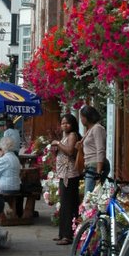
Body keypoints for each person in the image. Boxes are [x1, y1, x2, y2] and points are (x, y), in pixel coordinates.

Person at [51, 113, 82, 245]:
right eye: (62, 123)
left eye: (67, 123)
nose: (64, 125)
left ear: (73, 124)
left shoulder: (73, 135)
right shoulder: (65, 136)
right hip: (64, 174)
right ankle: (63, 233)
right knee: (64, 205)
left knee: (68, 205)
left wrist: (57, 143)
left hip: (70, 175)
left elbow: (70, 151)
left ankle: (68, 235)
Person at [79, 105, 107, 196]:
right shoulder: (90, 130)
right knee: (91, 197)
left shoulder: (97, 128)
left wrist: (98, 173)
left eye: (82, 117)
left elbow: (100, 149)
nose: (81, 120)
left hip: (95, 166)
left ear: (87, 117)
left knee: (89, 197)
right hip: (90, 165)